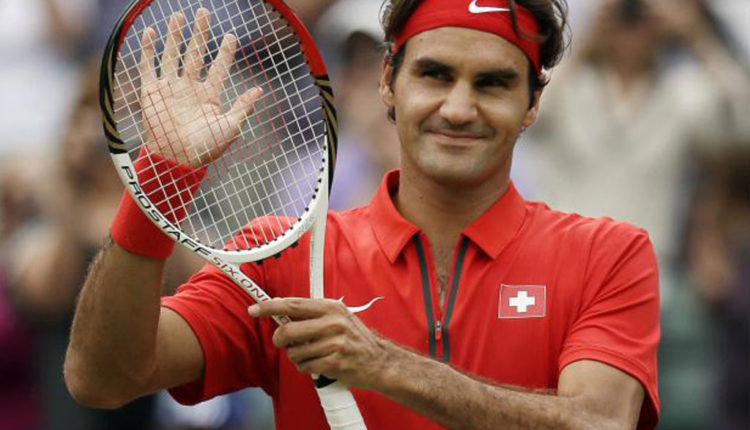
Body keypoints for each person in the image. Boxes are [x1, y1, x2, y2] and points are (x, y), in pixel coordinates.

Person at [64, 1, 660, 429]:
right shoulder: (282, 255)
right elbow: (101, 377)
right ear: (388, 82)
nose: (458, 108)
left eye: (493, 84)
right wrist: (161, 180)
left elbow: (600, 422)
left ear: (532, 103)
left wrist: (384, 365)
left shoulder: (608, 254)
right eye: (435, 74)